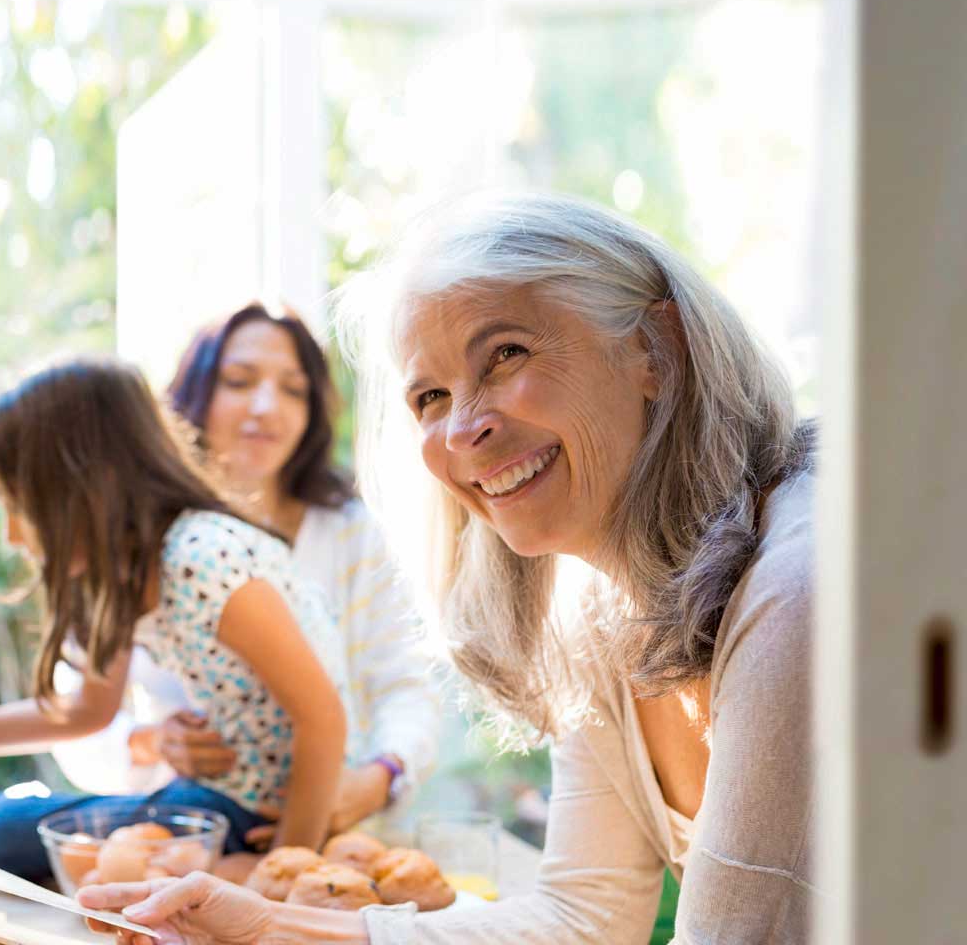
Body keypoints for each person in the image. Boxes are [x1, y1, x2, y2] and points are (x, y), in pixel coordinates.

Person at [78, 192, 818, 943]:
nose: (464, 429)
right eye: (430, 396)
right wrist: (269, 926)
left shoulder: (796, 591)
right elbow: (580, 918)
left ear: (655, 350)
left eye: (505, 354)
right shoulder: (601, 609)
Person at [0, 357, 363, 879]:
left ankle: (236, 868)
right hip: (209, 800)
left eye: (18, 506)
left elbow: (323, 718)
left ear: (87, 488)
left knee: (4, 830)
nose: (13, 536)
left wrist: (286, 867)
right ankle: (214, 867)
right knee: (1, 827)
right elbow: (88, 711)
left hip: (265, 811)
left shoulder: (203, 558)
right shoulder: (125, 577)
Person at [51, 303, 439, 840]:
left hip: (337, 833)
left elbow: (404, 683)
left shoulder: (351, 531)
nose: (266, 407)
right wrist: (152, 740)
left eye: (293, 390)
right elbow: (79, 711)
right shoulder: (143, 539)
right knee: (9, 829)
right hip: (187, 827)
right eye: (238, 381)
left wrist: (378, 779)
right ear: (192, 395)